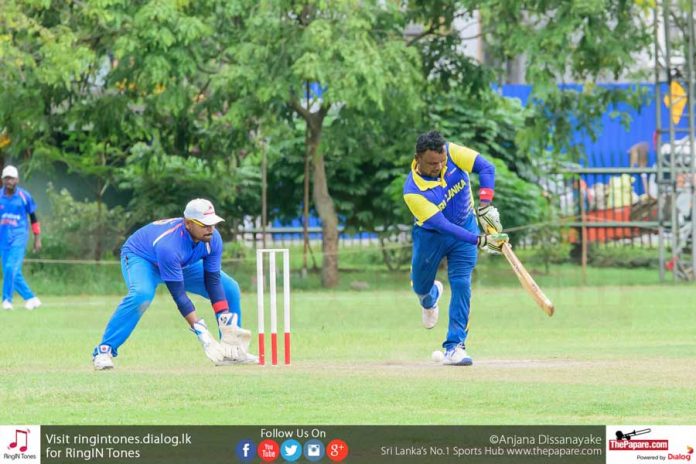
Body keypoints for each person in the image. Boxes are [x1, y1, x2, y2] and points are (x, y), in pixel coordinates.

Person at [92, 198, 255, 370]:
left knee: (229, 289)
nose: (210, 229)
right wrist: (201, 331)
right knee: (142, 295)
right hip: (143, 259)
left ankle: (232, 353)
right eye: (204, 224)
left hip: (181, 262)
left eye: (213, 223)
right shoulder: (169, 246)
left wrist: (224, 318)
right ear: (188, 224)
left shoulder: (213, 239)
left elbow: (213, 281)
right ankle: (104, 350)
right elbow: (178, 295)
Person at [403, 131, 508, 366]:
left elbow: (486, 168)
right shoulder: (412, 191)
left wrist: (485, 206)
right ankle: (430, 299)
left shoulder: (452, 152)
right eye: (432, 163)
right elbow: (443, 225)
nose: (439, 166)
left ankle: (455, 347)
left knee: (461, 282)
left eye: (441, 161)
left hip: (465, 228)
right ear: (418, 158)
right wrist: (480, 240)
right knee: (421, 287)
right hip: (431, 236)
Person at [0, 165, 42, 311]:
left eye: (11, 178)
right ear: (2, 180)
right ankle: (31, 298)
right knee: (10, 271)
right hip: (3, 239)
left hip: (19, 236)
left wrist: (37, 238)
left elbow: (34, 218)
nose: (8, 181)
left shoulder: (24, 196)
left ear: (17, 180)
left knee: (11, 267)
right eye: (6, 178)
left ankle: (6, 300)